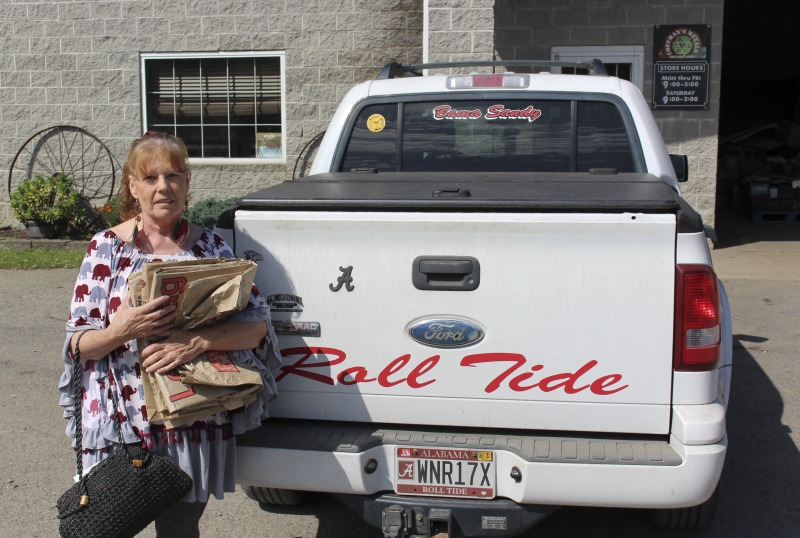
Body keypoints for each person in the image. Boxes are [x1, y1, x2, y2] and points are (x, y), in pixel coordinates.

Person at [59, 131, 280, 536]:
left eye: (174, 176)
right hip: (120, 424)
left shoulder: (212, 248)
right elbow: (77, 345)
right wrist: (121, 329)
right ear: (132, 187)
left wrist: (196, 341)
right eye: (151, 178)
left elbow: (256, 329)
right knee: (106, 527)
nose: (164, 187)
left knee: (180, 531)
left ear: (186, 184)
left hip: (190, 420)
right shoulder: (105, 250)